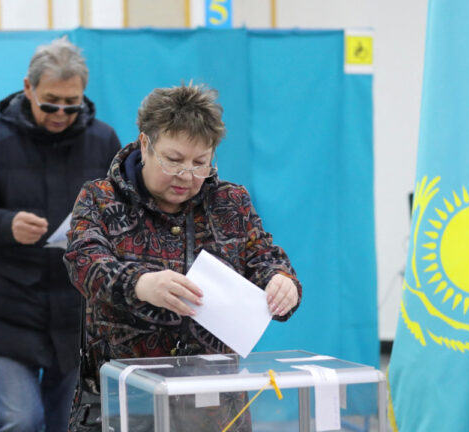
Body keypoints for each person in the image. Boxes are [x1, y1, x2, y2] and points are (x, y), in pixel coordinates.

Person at [63, 83, 302, 431]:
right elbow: (83, 261)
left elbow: (263, 257)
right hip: (125, 404)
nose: (186, 175)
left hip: (214, 408)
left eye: (200, 162)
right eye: (173, 160)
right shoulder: (100, 199)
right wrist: (141, 284)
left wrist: (282, 282)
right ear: (145, 144)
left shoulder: (230, 202)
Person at [0, 36, 121, 432]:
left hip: (78, 311)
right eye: (50, 103)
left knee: (68, 423)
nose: (61, 113)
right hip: (11, 305)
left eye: (71, 104)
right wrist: (6, 225)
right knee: (21, 420)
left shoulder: (104, 140)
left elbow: (124, 213)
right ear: (28, 88)